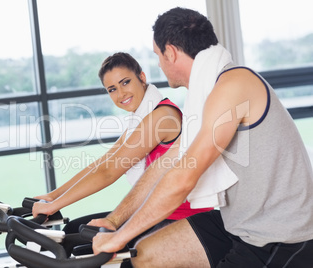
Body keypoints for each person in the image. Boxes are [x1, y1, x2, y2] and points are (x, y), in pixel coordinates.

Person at [91, 7, 313, 268]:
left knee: (133, 250)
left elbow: (183, 179)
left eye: (157, 56)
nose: (159, 65)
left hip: (280, 237)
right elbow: (168, 163)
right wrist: (114, 220)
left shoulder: (232, 86)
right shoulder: (209, 92)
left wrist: (120, 237)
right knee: (144, 255)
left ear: (170, 52)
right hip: (238, 223)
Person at [32, 52, 212, 239]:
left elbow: (109, 171)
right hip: (155, 212)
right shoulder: (141, 117)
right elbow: (104, 162)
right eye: (112, 89)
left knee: (76, 236)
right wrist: (53, 196)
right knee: (73, 231)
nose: (121, 94)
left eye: (125, 82)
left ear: (142, 77)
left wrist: (54, 206)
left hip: (180, 218)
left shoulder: (162, 117)